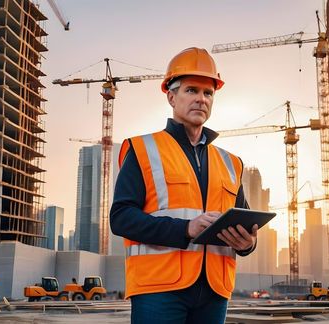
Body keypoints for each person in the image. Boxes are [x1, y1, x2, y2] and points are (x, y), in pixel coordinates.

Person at [110, 47, 258, 324]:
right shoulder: (143, 149)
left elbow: (244, 223)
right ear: (171, 96)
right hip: (159, 290)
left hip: (215, 291)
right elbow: (120, 219)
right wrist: (186, 229)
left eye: (208, 93)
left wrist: (248, 244)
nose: (201, 99)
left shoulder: (231, 163)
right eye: (191, 90)